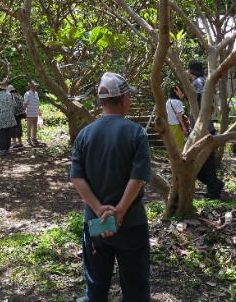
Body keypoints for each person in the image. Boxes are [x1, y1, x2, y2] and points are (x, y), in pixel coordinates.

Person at [70, 72, 151, 302]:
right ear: (124, 98)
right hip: (132, 221)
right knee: (136, 288)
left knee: (96, 286)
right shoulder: (137, 133)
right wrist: (120, 212)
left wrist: (99, 210)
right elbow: (137, 178)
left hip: (95, 223)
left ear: (100, 101)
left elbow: (77, 178)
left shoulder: (84, 135)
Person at [187, 60, 225, 199]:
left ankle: (214, 188)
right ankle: (215, 185)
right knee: (203, 162)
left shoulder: (198, 82)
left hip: (201, 129)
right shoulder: (205, 80)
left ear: (190, 71)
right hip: (204, 127)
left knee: (203, 162)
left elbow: (197, 96)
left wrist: (185, 96)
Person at [0, 81, 16, 157]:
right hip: (9, 117)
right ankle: (7, 148)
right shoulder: (10, 95)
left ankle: (2, 149)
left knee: (0, 133)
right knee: (8, 133)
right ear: (5, 89)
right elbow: (14, 105)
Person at [166, 85, 188, 150]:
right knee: (179, 144)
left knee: (172, 144)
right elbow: (179, 115)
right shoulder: (178, 102)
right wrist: (183, 126)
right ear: (176, 92)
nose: (182, 93)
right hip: (176, 125)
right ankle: (180, 159)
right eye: (181, 92)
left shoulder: (168, 101)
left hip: (169, 125)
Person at [24, 80, 42, 146]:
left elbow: (37, 103)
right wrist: (24, 111)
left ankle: (34, 138)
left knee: (35, 126)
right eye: (34, 86)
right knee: (29, 126)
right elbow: (25, 103)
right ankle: (28, 139)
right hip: (29, 112)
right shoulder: (27, 94)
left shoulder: (36, 93)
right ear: (30, 86)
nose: (35, 87)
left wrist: (39, 111)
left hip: (35, 112)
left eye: (35, 86)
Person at [8, 85, 25, 149]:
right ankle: (20, 143)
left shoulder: (11, 96)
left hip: (13, 114)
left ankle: (14, 144)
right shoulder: (19, 95)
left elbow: (12, 105)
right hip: (20, 114)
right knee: (18, 128)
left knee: (13, 129)